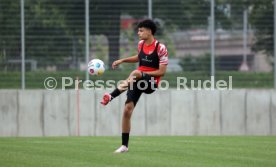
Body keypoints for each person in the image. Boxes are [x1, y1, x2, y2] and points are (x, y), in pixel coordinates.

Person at [100, 19, 169, 153]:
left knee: (136, 72)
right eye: (138, 30)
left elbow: (162, 72)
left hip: (151, 83)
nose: (138, 33)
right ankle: (124, 146)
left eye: (141, 30)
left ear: (149, 31)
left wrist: (143, 73)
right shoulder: (141, 44)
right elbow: (139, 57)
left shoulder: (161, 48)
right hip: (137, 80)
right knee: (127, 110)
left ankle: (111, 95)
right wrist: (122, 60)